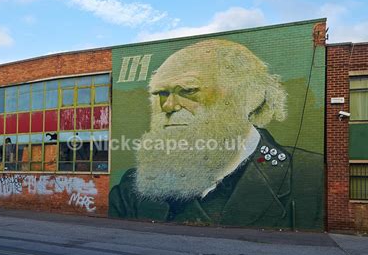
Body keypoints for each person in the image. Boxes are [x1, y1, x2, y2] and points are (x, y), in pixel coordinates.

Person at [109, 39, 323, 229]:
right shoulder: (131, 187)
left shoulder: (310, 176)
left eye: (189, 90)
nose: (168, 105)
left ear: (251, 96)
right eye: (161, 93)